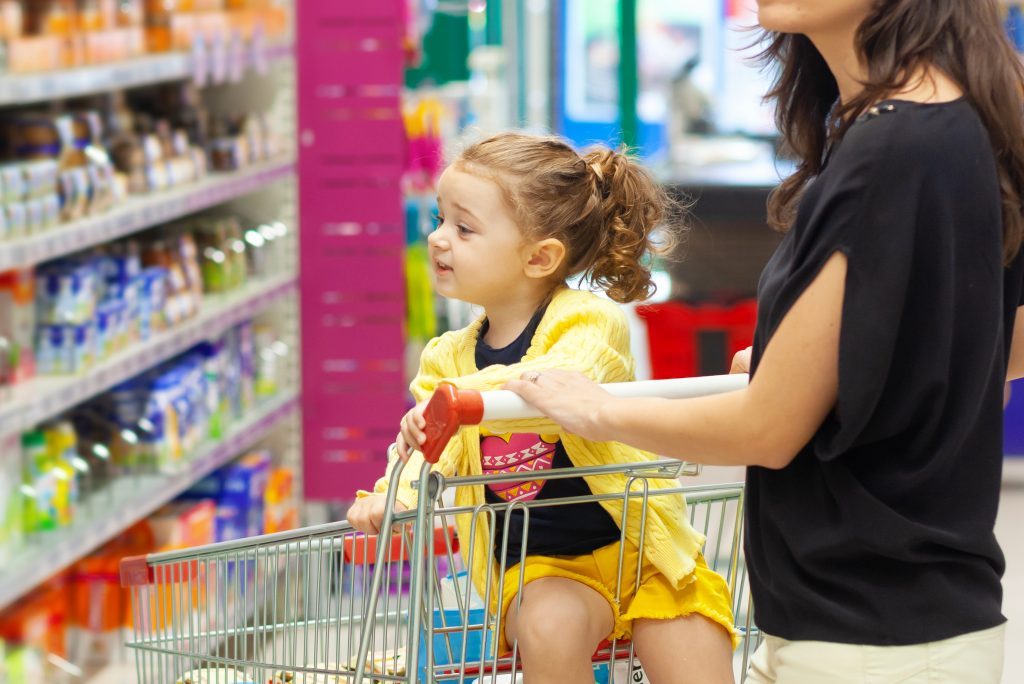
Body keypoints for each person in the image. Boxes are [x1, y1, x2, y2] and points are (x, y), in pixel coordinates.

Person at [495, 1, 1024, 683]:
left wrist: (593, 409)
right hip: (907, 617)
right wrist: (824, 365)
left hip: (862, 637)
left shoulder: (891, 149)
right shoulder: (966, 115)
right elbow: (992, 340)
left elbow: (768, 428)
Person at [346, 132, 737, 684]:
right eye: (438, 219)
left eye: (463, 227)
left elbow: (559, 384)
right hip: (542, 570)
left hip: (644, 553)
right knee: (547, 627)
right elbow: (424, 453)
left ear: (539, 257)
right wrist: (393, 496)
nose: (437, 239)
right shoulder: (445, 358)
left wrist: (463, 399)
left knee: (693, 653)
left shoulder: (587, 318)